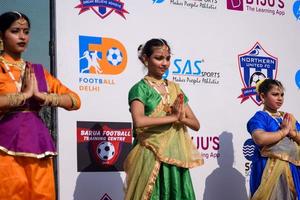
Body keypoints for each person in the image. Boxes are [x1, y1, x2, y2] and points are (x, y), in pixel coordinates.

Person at [0, 11, 81, 199]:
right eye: (15, 31)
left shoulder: (37, 70)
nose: (22, 36)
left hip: (38, 142)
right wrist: (23, 96)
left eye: (26, 31)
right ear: (2, 35)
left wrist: (43, 97)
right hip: (5, 144)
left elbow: (75, 100)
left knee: (43, 194)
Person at [123, 38, 203, 200]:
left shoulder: (175, 88)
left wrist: (181, 118)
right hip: (149, 156)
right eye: (159, 58)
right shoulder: (140, 89)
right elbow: (139, 121)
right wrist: (173, 117)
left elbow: (195, 124)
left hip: (174, 157)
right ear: (145, 59)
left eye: (167, 58)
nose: (164, 63)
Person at [247, 78, 300, 199]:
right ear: (262, 96)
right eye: (275, 94)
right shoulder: (260, 117)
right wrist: (283, 132)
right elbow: (259, 138)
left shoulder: (287, 118)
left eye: (282, 95)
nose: (280, 98)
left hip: (292, 170)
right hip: (268, 170)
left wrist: (292, 133)